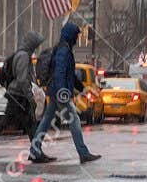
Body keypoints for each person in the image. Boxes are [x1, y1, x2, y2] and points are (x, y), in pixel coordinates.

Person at [29, 21, 101, 166]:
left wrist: (81, 87)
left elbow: (70, 75)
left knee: (46, 120)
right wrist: (62, 91)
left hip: (56, 91)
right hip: (60, 92)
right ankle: (83, 153)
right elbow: (60, 72)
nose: (76, 39)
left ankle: (35, 151)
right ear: (70, 36)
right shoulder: (63, 51)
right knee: (74, 120)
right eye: (76, 35)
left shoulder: (63, 49)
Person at [0, 33, 42, 163]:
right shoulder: (23, 56)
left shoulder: (21, 54)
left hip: (16, 94)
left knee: (28, 124)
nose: (37, 47)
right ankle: (36, 153)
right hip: (18, 95)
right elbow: (22, 79)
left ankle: (36, 152)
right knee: (25, 123)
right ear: (31, 44)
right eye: (36, 44)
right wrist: (30, 97)